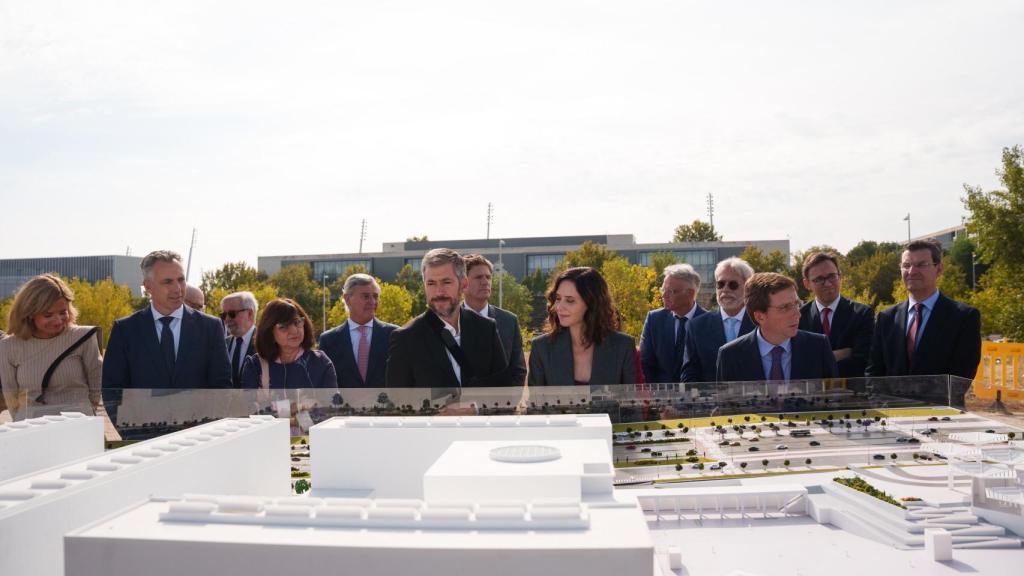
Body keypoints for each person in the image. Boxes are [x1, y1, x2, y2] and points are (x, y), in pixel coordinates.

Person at [102, 250, 231, 390]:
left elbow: (222, 388)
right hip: (143, 413)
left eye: (181, 280)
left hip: (199, 413)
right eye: (168, 282)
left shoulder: (211, 328)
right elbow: (113, 391)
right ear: (148, 286)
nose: (177, 289)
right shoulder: (125, 330)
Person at [386, 248, 512, 388]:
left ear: (464, 284)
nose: (439, 292)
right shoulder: (405, 338)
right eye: (431, 283)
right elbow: (397, 402)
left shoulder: (486, 329)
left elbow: (503, 390)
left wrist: (473, 408)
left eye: (446, 282)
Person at [866, 239, 981, 382]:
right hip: (891, 404)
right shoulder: (886, 318)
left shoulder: (964, 317)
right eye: (906, 265)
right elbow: (873, 372)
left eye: (921, 265)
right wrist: (882, 404)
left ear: (939, 269)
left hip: (939, 404)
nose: (912, 271)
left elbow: (962, 376)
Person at [0, 274, 103, 417]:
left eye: (63, 312)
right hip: (32, 427)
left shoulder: (84, 337)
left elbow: (96, 385)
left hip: (78, 424)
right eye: (48, 315)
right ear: (29, 314)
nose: (58, 321)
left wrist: (85, 413)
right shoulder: (8, 346)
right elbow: (11, 399)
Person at [717, 272, 838, 382]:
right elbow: (727, 404)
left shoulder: (818, 347)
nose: (797, 314)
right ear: (760, 317)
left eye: (796, 304)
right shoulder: (730, 356)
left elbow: (834, 400)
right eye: (785, 307)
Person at [528, 267, 637, 386]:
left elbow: (630, 402)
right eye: (558, 298)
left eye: (570, 300)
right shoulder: (541, 348)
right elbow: (535, 403)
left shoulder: (623, 346)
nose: (559, 307)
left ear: (592, 303)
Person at [798, 252, 875, 378]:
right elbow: (797, 363)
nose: (827, 284)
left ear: (840, 276)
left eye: (832, 276)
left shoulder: (862, 314)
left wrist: (815, 360)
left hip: (851, 393)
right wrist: (843, 353)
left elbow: (862, 362)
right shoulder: (798, 317)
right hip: (812, 394)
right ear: (807, 284)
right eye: (819, 279)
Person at [680, 257, 756, 383]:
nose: (725, 289)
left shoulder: (760, 323)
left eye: (733, 285)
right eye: (720, 284)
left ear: (748, 287)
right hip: (712, 401)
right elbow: (690, 374)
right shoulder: (696, 327)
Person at [318, 274, 398, 388]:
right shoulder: (328, 341)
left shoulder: (394, 335)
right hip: (343, 406)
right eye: (365, 296)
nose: (372, 302)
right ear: (347, 299)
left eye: (375, 296)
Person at [240, 298, 337, 389]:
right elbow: (249, 406)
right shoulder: (255, 366)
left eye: (297, 322)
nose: (294, 331)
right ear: (269, 332)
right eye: (284, 326)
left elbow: (331, 404)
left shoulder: (320, 362)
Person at [462, 254, 528, 385]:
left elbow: (518, 371)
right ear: (463, 283)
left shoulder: (509, 321)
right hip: (459, 403)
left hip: (502, 404)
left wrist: (507, 403)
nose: (485, 281)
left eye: (488, 277)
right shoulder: (449, 321)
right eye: (478, 277)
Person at [639, 263, 706, 384]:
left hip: (699, 398)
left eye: (670, 291)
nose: (664, 295)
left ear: (690, 293)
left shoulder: (709, 322)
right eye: (663, 290)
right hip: (661, 397)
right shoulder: (654, 320)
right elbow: (646, 363)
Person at [221, 291, 258, 387]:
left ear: (250, 314)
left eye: (232, 313)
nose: (227, 319)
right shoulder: (222, 344)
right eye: (224, 315)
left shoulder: (265, 343)